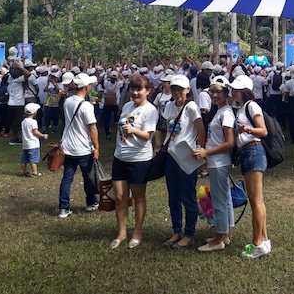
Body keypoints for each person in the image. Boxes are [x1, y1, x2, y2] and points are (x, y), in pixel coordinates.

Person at [110, 74, 159, 250]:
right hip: (120, 156)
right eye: (133, 89)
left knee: (138, 197)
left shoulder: (151, 110)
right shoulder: (127, 106)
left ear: (148, 91)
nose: (135, 92)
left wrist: (133, 129)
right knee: (120, 197)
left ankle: (137, 232)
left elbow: (148, 136)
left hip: (139, 160)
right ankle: (121, 232)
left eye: (139, 89)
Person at [228, 74, 271, 259]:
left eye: (235, 89)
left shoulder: (251, 105)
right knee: (257, 200)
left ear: (242, 91)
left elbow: (263, 130)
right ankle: (264, 240)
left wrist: (247, 130)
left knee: (255, 201)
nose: (232, 92)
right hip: (248, 152)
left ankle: (257, 243)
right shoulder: (242, 108)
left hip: (253, 151)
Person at [161, 74, 206, 249]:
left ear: (188, 90)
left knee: (187, 196)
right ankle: (176, 229)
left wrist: (201, 151)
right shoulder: (169, 106)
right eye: (174, 89)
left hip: (186, 156)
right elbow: (165, 127)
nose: (177, 92)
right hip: (171, 155)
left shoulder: (191, 107)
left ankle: (189, 233)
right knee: (173, 196)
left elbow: (200, 130)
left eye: (181, 89)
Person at [194, 76, 236, 252]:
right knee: (224, 199)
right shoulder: (218, 111)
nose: (214, 95)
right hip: (216, 162)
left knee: (219, 201)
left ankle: (218, 239)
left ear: (226, 93)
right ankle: (223, 234)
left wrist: (207, 152)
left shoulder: (226, 113)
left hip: (220, 162)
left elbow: (230, 142)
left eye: (218, 91)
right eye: (212, 91)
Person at [58, 73, 100, 219]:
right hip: (82, 148)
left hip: (68, 146)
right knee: (88, 176)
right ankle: (91, 202)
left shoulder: (68, 101)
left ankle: (64, 207)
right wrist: (96, 147)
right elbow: (92, 128)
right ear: (87, 87)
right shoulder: (86, 106)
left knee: (67, 177)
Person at [20, 103, 48, 177]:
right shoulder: (33, 122)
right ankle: (35, 173)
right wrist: (43, 135)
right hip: (33, 144)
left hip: (25, 144)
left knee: (24, 160)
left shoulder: (23, 121)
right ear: (34, 112)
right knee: (33, 159)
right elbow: (35, 132)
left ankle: (25, 172)